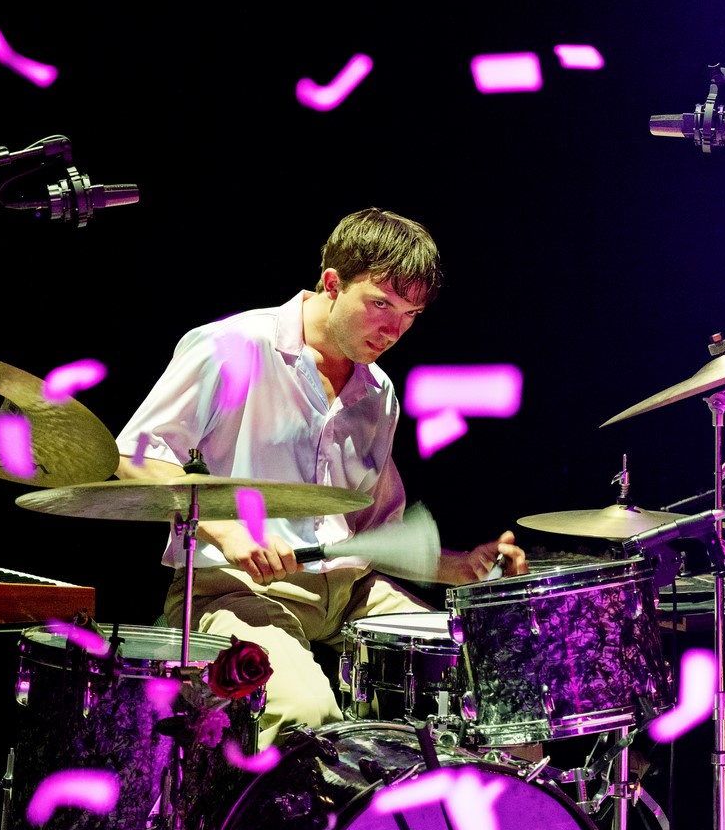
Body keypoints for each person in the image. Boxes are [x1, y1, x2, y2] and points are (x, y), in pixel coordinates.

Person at [113, 207, 528, 749]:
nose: (394, 330)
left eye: (410, 314)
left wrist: (460, 567)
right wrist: (230, 531)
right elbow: (135, 452)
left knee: (499, 692)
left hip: (349, 593)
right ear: (332, 283)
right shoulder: (234, 346)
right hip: (238, 590)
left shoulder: (378, 393)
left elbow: (373, 534)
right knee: (308, 717)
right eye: (381, 304)